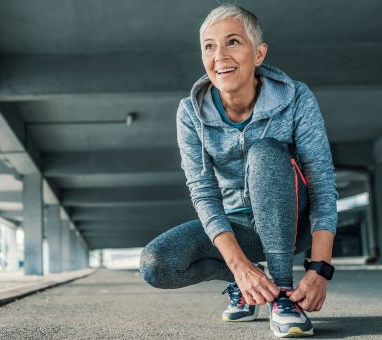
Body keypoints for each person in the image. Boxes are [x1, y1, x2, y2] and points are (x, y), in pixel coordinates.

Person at [139, 4, 338, 338]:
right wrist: (240, 267)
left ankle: (285, 297)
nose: (220, 55)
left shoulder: (296, 98)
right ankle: (247, 284)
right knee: (156, 264)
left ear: (258, 53)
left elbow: (321, 181)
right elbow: (203, 190)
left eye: (233, 42)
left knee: (264, 151)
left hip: (292, 223)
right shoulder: (191, 112)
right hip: (237, 230)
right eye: (209, 46)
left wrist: (320, 269)